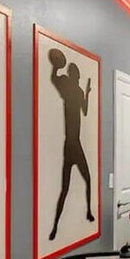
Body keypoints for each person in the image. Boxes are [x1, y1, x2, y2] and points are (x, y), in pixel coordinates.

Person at [49, 58, 94, 241]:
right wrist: (55, 67)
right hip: (72, 144)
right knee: (68, 188)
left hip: (73, 143)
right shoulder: (69, 89)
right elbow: (54, 79)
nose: (78, 77)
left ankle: (88, 212)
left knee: (80, 183)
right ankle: (56, 226)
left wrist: (87, 93)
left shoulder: (75, 90)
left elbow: (85, 110)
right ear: (74, 75)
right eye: (77, 75)